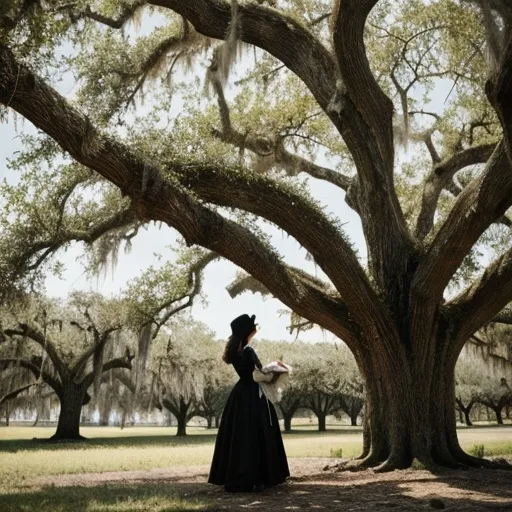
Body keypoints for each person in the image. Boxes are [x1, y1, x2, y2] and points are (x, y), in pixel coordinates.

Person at [208, 314, 290, 492]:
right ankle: (263, 476)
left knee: (240, 436)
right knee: (259, 432)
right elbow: (262, 374)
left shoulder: (233, 353)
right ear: (247, 331)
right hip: (254, 394)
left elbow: (250, 373)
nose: (255, 329)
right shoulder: (248, 351)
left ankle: (240, 476)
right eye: (253, 328)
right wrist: (278, 370)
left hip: (240, 395)